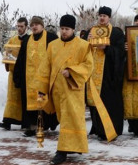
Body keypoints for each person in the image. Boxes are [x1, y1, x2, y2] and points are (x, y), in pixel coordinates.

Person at [36, 15, 94, 165]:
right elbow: (45, 68)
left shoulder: (83, 45)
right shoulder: (53, 45)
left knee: (70, 120)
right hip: (56, 90)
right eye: (62, 29)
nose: (64, 32)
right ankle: (73, 146)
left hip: (73, 90)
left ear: (73, 29)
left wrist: (72, 72)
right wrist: (42, 89)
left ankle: (61, 152)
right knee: (65, 121)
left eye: (67, 29)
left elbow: (88, 66)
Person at [84, 6, 126, 140]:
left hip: (109, 74)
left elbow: (121, 52)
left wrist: (106, 48)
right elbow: (82, 50)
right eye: (100, 15)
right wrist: (86, 41)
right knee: (94, 103)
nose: (102, 18)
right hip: (93, 73)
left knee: (109, 103)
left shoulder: (116, 33)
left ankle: (108, 130)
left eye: (105, 16)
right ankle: (96, 128)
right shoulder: (91, 31)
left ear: (109, 18)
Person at [13, 16, 58, 137]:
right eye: (32, 25)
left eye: (36, 24)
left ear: (42, 26)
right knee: (31, 103)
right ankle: (32, 126)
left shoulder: (51, 38)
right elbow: (21, 58)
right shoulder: (27, 40)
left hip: (46, 78)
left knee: (45, 102)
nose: (34, 27)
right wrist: (17, 75)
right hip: (29, 79)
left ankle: (46, 124)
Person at [0, 17, 29, 130]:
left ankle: (24, 122)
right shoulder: (13, 40)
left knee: (23, 97)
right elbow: (7, 54)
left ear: (26, 27)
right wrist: (7, 63)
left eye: (22, 26)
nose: (19, 29)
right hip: (13, 73)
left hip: (24, 74)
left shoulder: (30, 40)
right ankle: (7, 121)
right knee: (11, 97)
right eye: (18, 26)